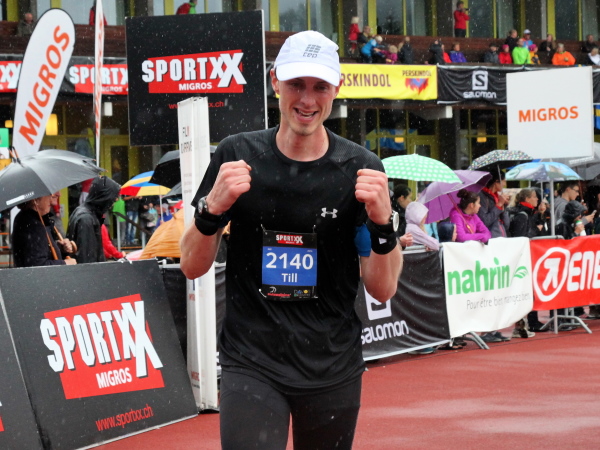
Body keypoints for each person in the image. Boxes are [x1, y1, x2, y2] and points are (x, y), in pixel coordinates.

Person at [180, 30, 402, 450]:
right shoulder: (237, 155)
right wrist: (211, 210)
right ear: (275, 81)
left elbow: (383, 287)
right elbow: (192, 265)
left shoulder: (360, 168)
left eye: (320, 87)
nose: (307, 100)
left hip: (332, 364)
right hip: (252, 360)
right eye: (297, 84)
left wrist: (383, 224)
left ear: (337, 88)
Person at [12, 194, 77, 267]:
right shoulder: (33, 223)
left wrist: (59, 248)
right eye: (48, 195)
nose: (51, 199)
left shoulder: (33, 219)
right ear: (35, 200)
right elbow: (38, 265)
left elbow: (37, 252)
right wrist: (66, 263)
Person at [67, 176, 121, 264]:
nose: (115, 200)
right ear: (105, 197)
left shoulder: (84, 213)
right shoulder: (86, 218)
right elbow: (87, 258)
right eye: (114, 197)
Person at [478, 172, 510, 238]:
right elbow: (485, 221)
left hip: (502, 236)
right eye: (504, 181)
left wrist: (504, 205)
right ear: (496, 181)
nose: (505, 184)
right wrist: (499, 205)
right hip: (491, 238)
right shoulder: (481, 196)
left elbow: (506, 225)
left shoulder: (497, 197)